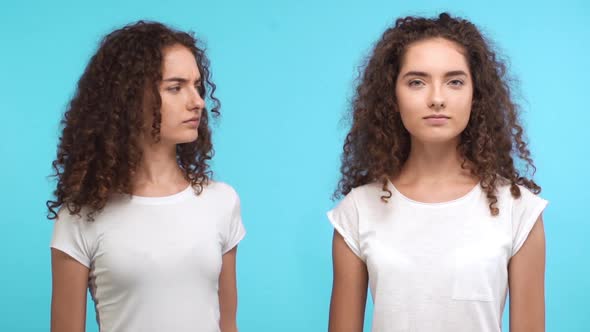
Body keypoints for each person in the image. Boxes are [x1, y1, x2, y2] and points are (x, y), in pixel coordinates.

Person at [328, 13, 547, 332]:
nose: (437, 99)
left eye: (455, 81)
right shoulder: (357, 211)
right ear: (392, 96)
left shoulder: (519, 210)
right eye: (417, 82)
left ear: (476, 94)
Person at [47, 21, 245, 332]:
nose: (197, 101)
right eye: (175, 87)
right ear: (130, 97)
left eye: (197, 86)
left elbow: (228, 325)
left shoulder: (221, 202)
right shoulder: (80, 216)